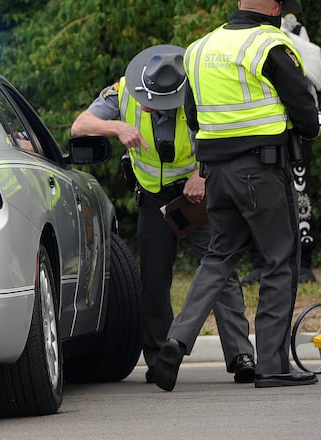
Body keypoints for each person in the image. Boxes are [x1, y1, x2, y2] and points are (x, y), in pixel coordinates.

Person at [153, 0, 321, 391]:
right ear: (276, 8)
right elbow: (306, 117)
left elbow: (194, 118)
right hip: (260, 171)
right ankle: (273, 366)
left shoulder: (199, 48)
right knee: (279, 259)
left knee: (218, 257)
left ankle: (176, 341)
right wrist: (308, 132)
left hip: (216, 173)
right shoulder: (269, 44)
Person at [70, 45, 255, 384]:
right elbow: (80, 126)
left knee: (221, 273)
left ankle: (241, 355)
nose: (148, 105)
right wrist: (117, 129)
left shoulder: (202, 91)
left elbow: (225, 136)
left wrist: (202, 175)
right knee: (154, 280)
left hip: (195, 197)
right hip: (153, 199)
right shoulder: (124, 90)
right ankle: (159, 359)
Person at [240, 0, 321, 285]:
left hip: (297, 130)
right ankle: (259, 262)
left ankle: (304, 263)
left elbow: (311, 72)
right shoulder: (243, 40)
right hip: (259, 134)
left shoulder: (289, 34)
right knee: (255, 198)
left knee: (300, 194)